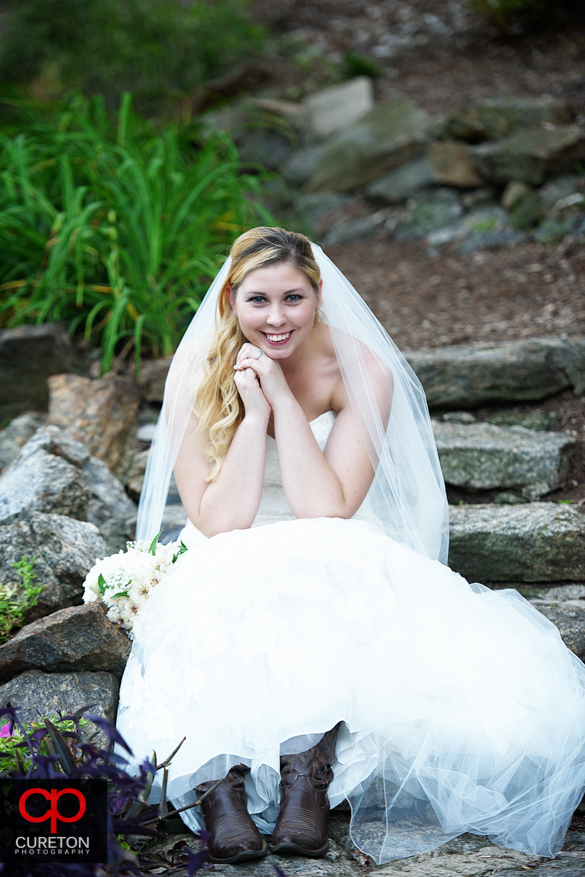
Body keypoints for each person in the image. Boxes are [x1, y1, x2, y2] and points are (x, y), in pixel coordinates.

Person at [116, 227, 585, 866]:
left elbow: (327, 507)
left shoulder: (362, 366)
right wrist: (253, 419)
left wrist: (281, 397)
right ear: (230, 300)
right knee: (220, 576)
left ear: (318, 297)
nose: (277, 319)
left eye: (293, 299)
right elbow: (219, 520)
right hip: (228, 537)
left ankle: (305, 773)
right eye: (259, 301)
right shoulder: (196, 373)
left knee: (318, 563)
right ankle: (216, 786)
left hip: (330, 532)